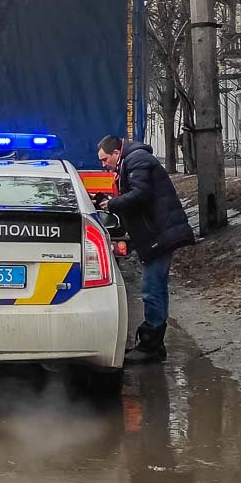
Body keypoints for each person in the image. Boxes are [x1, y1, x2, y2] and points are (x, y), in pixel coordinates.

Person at [96, 136, 195, 364]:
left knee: (152, 288)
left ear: (116, 153)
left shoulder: (136, 160)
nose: (103, 165)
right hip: (157, 234)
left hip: (159, 235)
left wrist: (111, 204)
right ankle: (153, 343)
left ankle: (151, 344)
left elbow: (140, 194)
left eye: (104, 159)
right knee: (155, 286)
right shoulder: (133, 161)